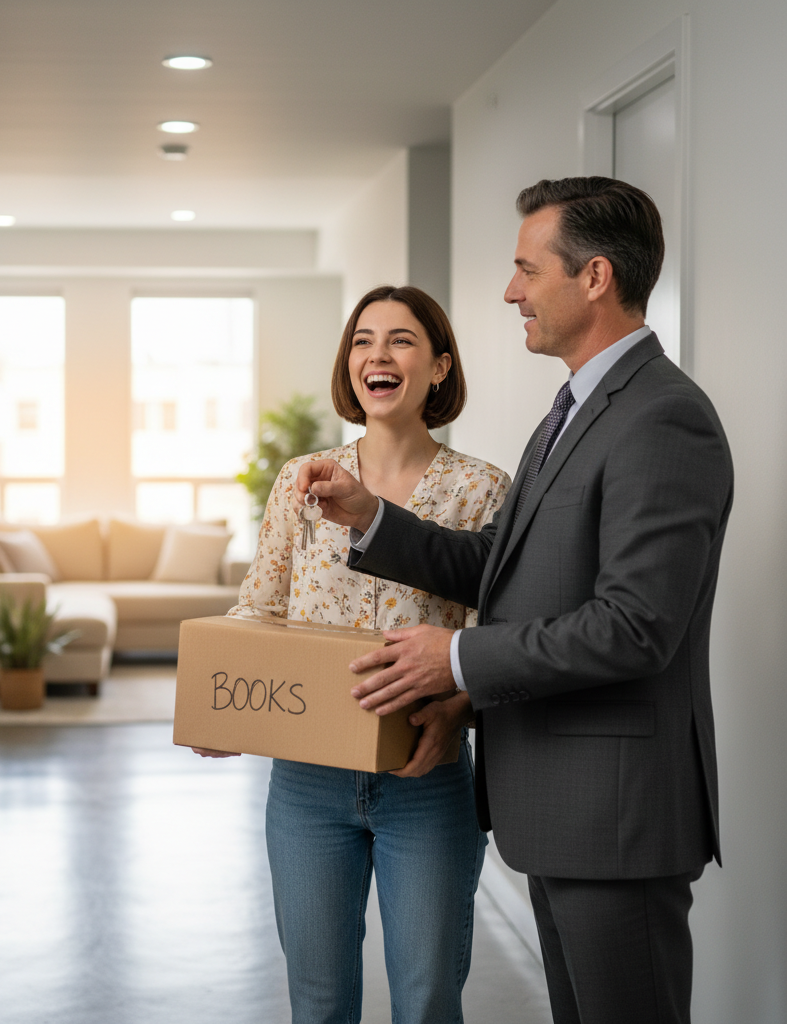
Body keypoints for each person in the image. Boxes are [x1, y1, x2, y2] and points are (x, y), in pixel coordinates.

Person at [296, 178, 733, 1024]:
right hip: (564, 809)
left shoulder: (663, 416)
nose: (510, 292)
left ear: (595, 277)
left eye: (527, 270)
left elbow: (636, 627)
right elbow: (506, 566)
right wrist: (373, 519)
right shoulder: (575, 408)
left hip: (617, 817)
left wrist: (453, 656)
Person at [195, 285, 510, 1023]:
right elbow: (261, 607)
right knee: (318, 1000)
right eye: (363, 340)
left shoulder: (481, 491)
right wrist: (222, 702)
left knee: (428, 998)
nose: (378, 354)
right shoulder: (301, 482)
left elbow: (498, 636)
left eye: (401, 340)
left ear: (438, 367)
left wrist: (459, 707)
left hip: (426, 780)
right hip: (307, 784)